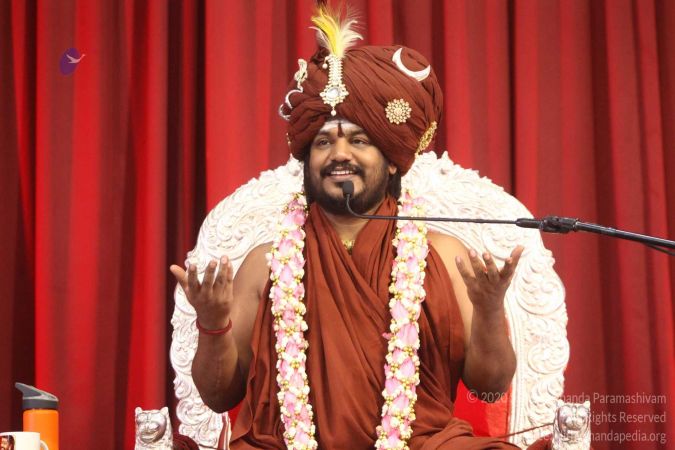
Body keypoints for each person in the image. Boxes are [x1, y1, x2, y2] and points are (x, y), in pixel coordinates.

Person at [171, 5, 527, 449]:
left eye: (359, 140)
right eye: (323, 141)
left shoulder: (444, 255)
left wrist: (490, 310)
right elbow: (218, 396)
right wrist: (212, 323)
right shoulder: (265, 264)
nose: (340, 154)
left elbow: (490, 388)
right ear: (307, 161)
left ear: (392, 161)